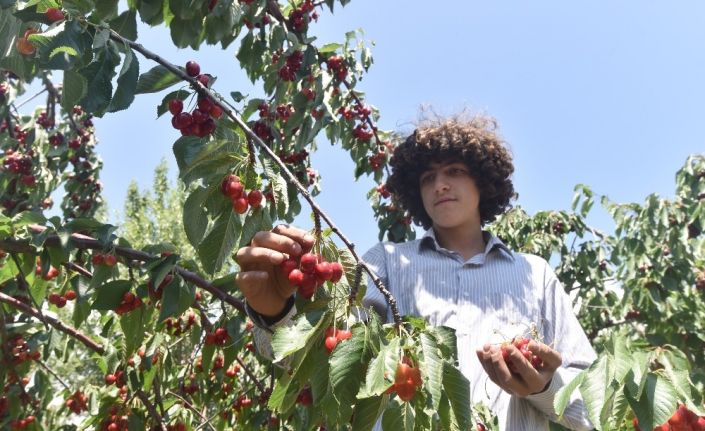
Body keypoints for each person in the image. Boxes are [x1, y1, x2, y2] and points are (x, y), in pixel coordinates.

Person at [235, 114, 596, 431]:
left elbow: (592, 409)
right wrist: (277, 315)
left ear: (482, 183)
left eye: (454, 171)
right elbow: (331, 364)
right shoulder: (387, 262)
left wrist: (544, 388)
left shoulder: (534, 273)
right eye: (427, 177)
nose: (439, 184)